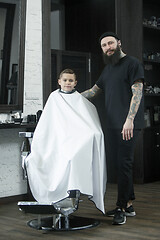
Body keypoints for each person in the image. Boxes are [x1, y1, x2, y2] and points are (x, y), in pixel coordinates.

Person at [82, 32, 144, 225]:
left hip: (127, 125)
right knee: (119, 165)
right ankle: (129, 205)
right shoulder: (108, 69)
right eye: (104, 45)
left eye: (110, 43)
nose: (108, 47)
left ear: (119, 43)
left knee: (124, 164)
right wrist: (69, 96)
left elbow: (138, 92)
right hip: (111, 125)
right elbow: (94, 91)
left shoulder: (132, 64)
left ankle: (120, 207)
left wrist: (130, 119)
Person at [25, 68, 107, 213]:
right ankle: (57, 199)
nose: (67, 83)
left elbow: (89, 123)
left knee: (71, 158)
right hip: (57, 140)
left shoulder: (79, 99)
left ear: (75, 83)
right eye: (65, 80)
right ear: (59, 82)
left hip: (76, 141)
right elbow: (48, 123)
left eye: (70, 80)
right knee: (40, 159)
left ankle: (71, 197)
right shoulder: (54, 98)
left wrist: (93, 134)